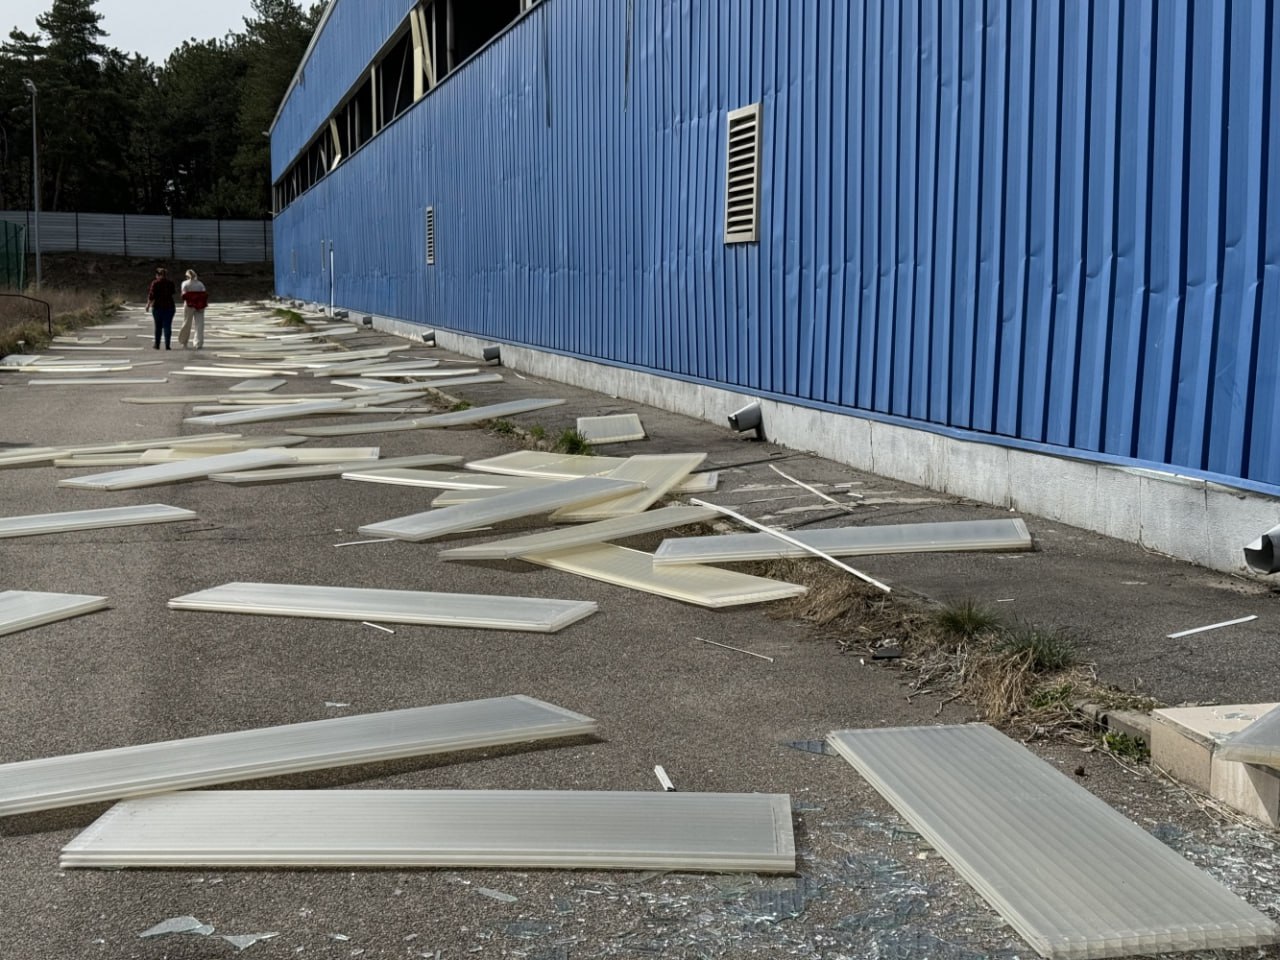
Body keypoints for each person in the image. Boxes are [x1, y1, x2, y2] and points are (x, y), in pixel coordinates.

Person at [146, 266, 177, 349]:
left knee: (158, 326)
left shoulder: (155, 283)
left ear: (158, 275)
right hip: (169, 306)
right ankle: (167, 345)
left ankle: (157, 344)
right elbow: (173, 292)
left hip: (157, 307)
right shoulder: (170, 283)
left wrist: (148, 305)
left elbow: (151, 295)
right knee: (167, 326)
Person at [179, 269, 209, 349]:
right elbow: (204, 293)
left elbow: (183, 294)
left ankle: (184, 341)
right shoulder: (200, 284)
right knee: (199, 324)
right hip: (200, 305)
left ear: (187, 276)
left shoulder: (185, 283)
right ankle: (198, 343)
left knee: (187, 323)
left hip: (189, 305)